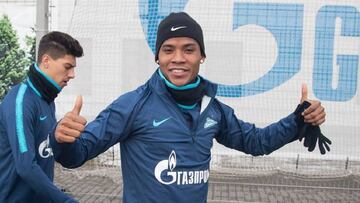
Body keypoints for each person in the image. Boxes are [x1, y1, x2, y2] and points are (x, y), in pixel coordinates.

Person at [50, 12, 330, 202]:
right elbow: (77, 155)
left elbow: (255, 142)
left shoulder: (213, 108)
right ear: (157, 57)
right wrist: (63, 140)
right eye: (168, 49)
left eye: (188, 49)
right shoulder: (133, 104)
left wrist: (298, 120)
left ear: (202, 56)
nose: (178, 58)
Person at [0, 31, 83, 202]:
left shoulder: (47, 99)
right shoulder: (21, 101)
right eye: (68, 67)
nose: (72, 75)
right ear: (46, 61)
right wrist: (66, 201)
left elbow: (44, 152)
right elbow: (26, 167)